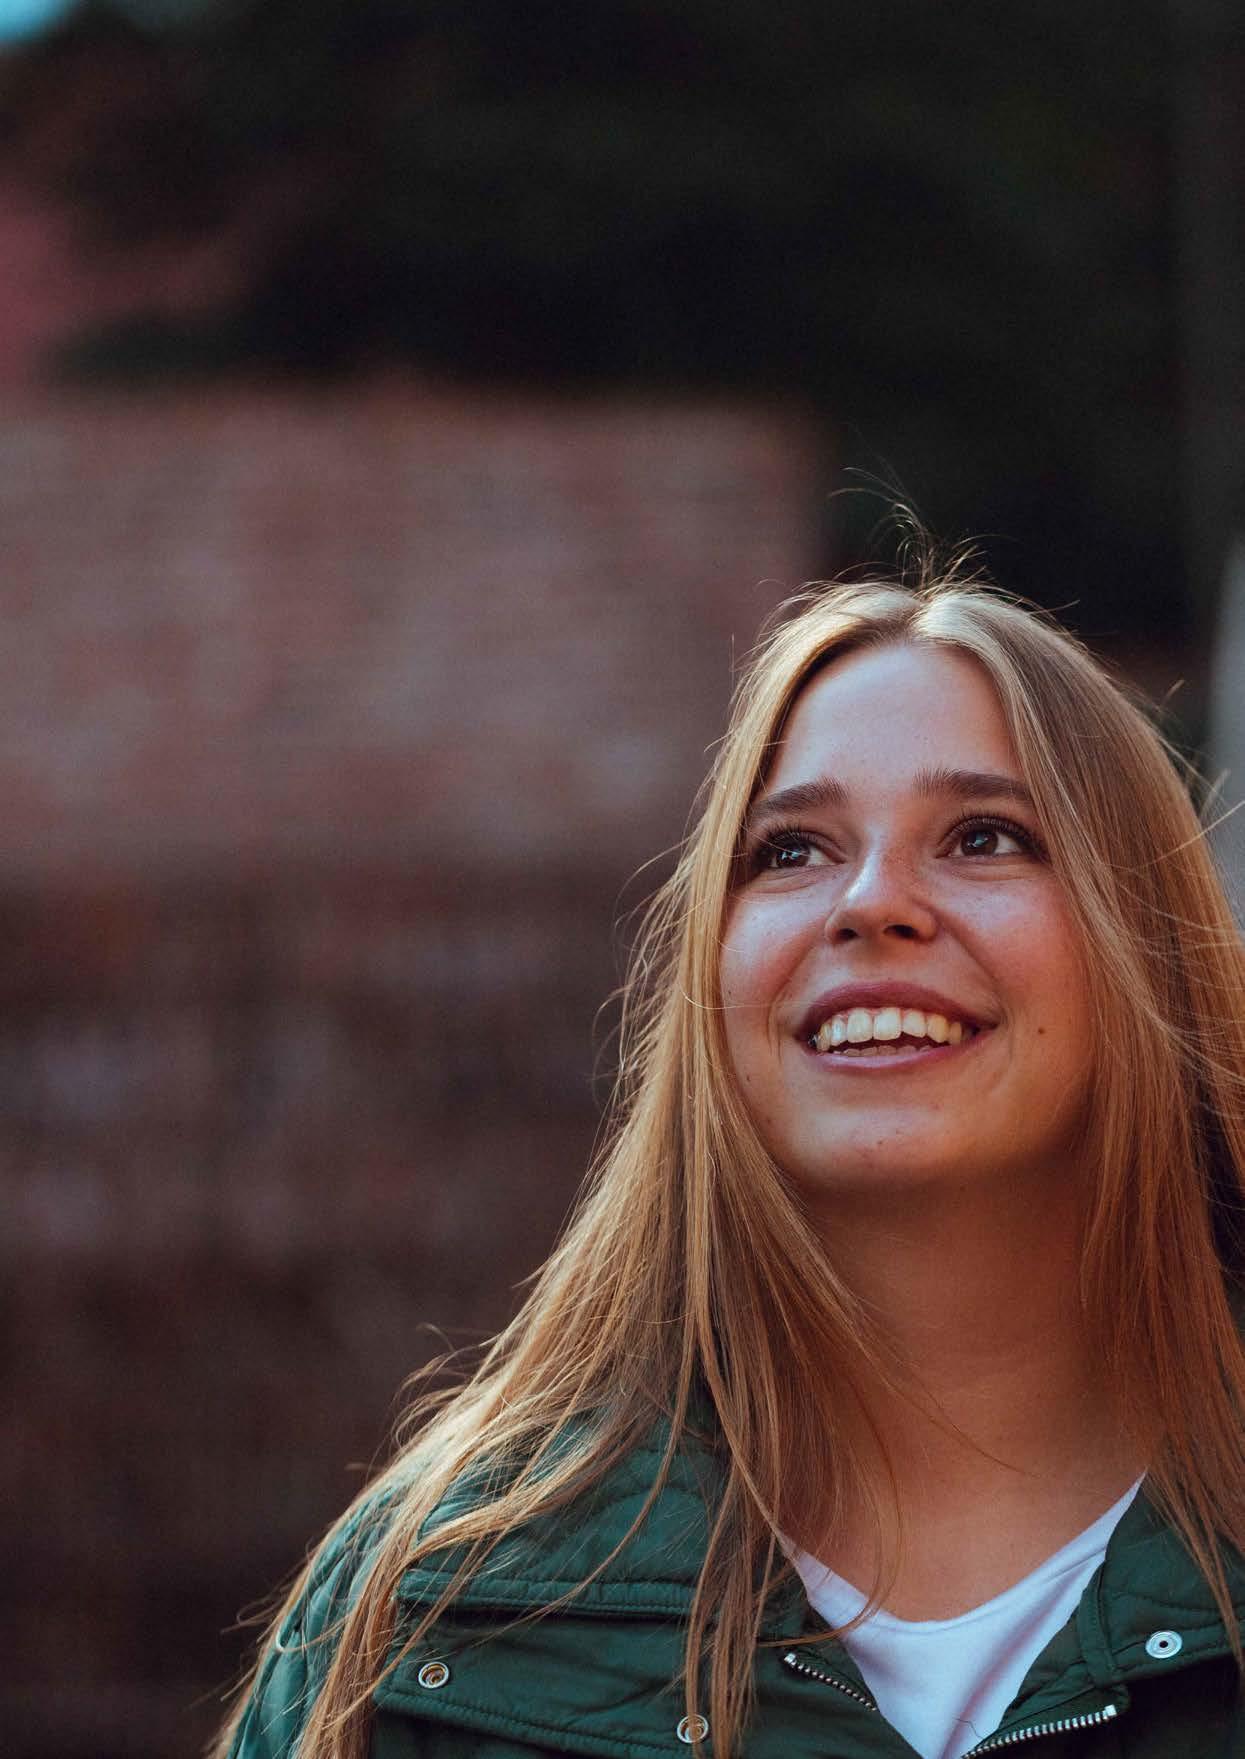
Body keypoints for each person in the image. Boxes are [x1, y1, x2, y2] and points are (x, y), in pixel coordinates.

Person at [213, 560, 1245, 1759]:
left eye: (983, 836)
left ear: (1146, 945)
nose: (871, 901)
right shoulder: (427, 1611)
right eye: (792, 851)